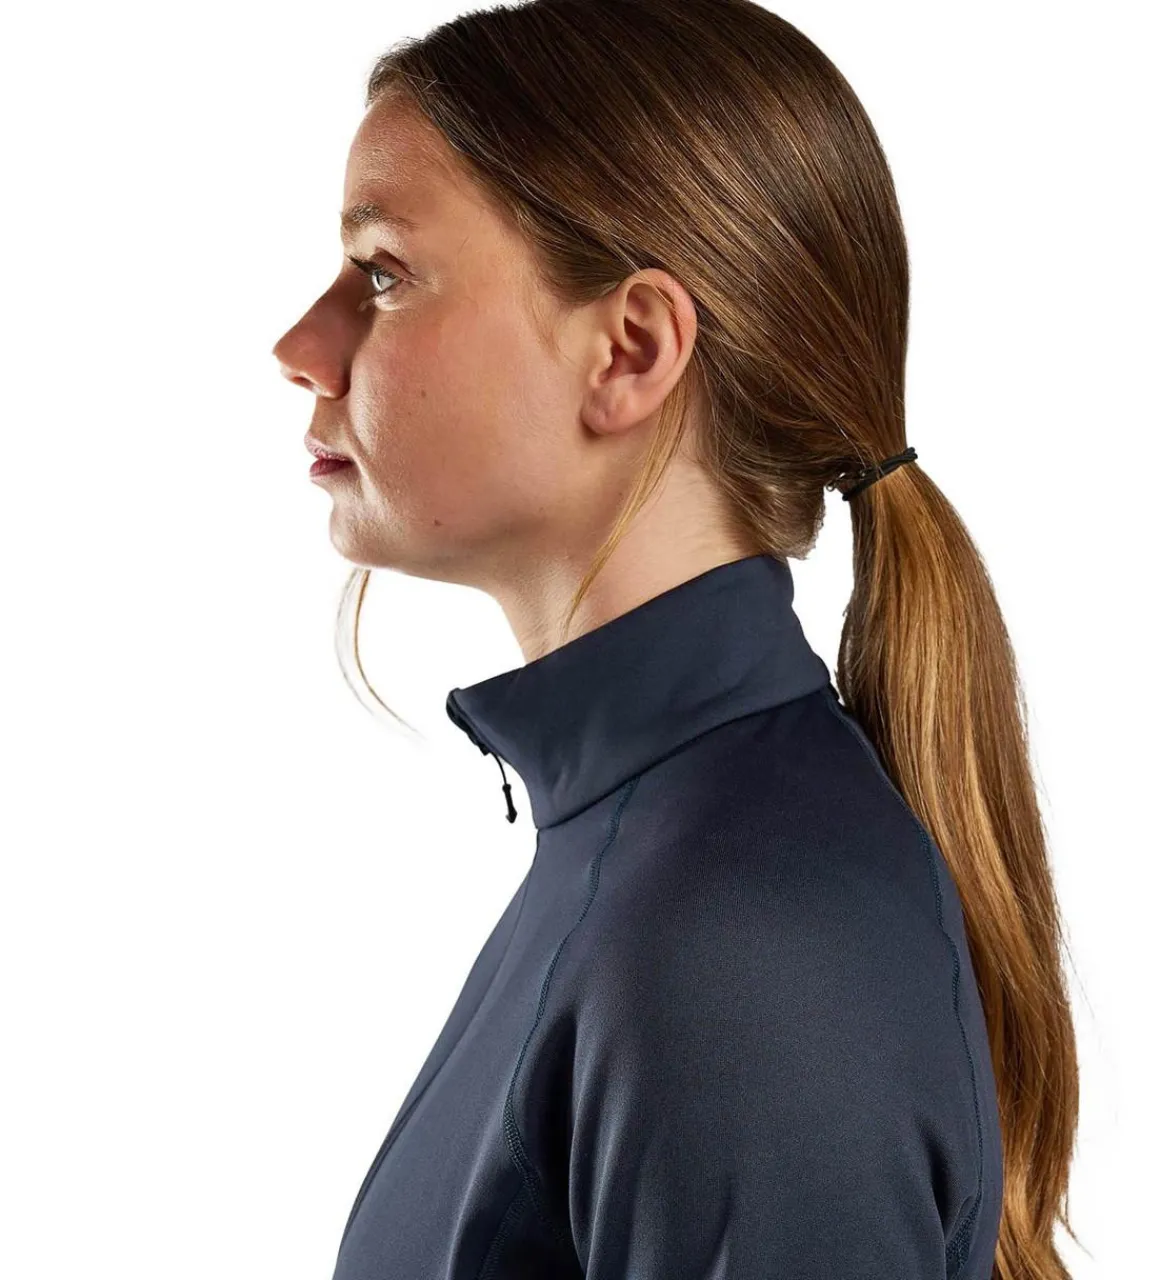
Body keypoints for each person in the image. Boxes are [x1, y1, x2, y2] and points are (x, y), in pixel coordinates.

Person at [271, 3, 1079, 1277]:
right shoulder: (653, 857)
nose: (300, 348)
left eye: (381, 272)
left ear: (629, 349)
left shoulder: (740, 943)